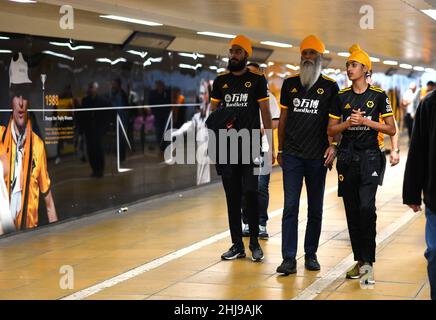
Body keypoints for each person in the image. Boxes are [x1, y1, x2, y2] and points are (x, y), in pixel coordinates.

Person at [327, 44, 396, 284]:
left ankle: (369, 261)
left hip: (370, 158)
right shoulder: (341, 97)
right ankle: (359, 260)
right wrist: (347, 124)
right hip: (347, 160)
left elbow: (391, 128)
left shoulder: (378, 96)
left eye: (353, 65)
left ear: (365, 69)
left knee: (367, 208)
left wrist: (366, 121)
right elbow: (331, 129)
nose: (349, 68)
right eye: (347, 65)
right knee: (352, 211)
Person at [276, 35, 339, 275]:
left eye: (312, 53)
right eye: (305, 54)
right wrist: (280, 149)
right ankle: (288, 258)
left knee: (315, 208)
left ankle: (311, 254)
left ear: (320, 57)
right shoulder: (289, 84)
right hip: (292, 155)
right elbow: (283, 119)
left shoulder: (330, 87)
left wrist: (334, 145)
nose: (308, 57)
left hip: (317, 157)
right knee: (290, 206)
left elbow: (335, 122)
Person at [209, 35, 273, 262]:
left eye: (238, 52)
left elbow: (265, 112)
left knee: (251, 193)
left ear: (246, 55)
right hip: (227, 148)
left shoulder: (257, 80)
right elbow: (213, 114)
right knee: (232, 197)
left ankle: (255, 242)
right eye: (231, 51)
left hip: (250, 145)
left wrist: (271, 144)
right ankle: (237, 244)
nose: (233, 55)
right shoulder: (220, 81)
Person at [0, 84, 58, 233]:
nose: (20, 102)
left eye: (24, 97)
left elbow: (49, 202)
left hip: (28, 238)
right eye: (16, 96)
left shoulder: (37, 145)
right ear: (10, 103)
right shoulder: (0, 137)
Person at [241, 62, 280, 240]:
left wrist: (264, 127)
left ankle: (261, 224)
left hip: (263, 147)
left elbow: (277, 121)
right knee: (244, 187)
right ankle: (247, 222)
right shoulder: (239, 97)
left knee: (261, 186)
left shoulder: (268, 97)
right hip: (241, 147)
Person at [403, 89, 436, 300]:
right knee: (435, 253)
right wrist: (412, 192)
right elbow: (418, 150)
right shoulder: (429, 104)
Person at [81, 82, 107, 178]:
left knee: (98, 149)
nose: (92, 90)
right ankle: (95, 169)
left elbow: (106, 115)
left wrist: (104, 127)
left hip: (98, 129)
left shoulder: (102, 101)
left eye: (94, 88)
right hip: (89, 130)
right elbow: (83, 116)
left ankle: (100, 170)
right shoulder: (85, 100)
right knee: (91, 150)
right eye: (91, 88)